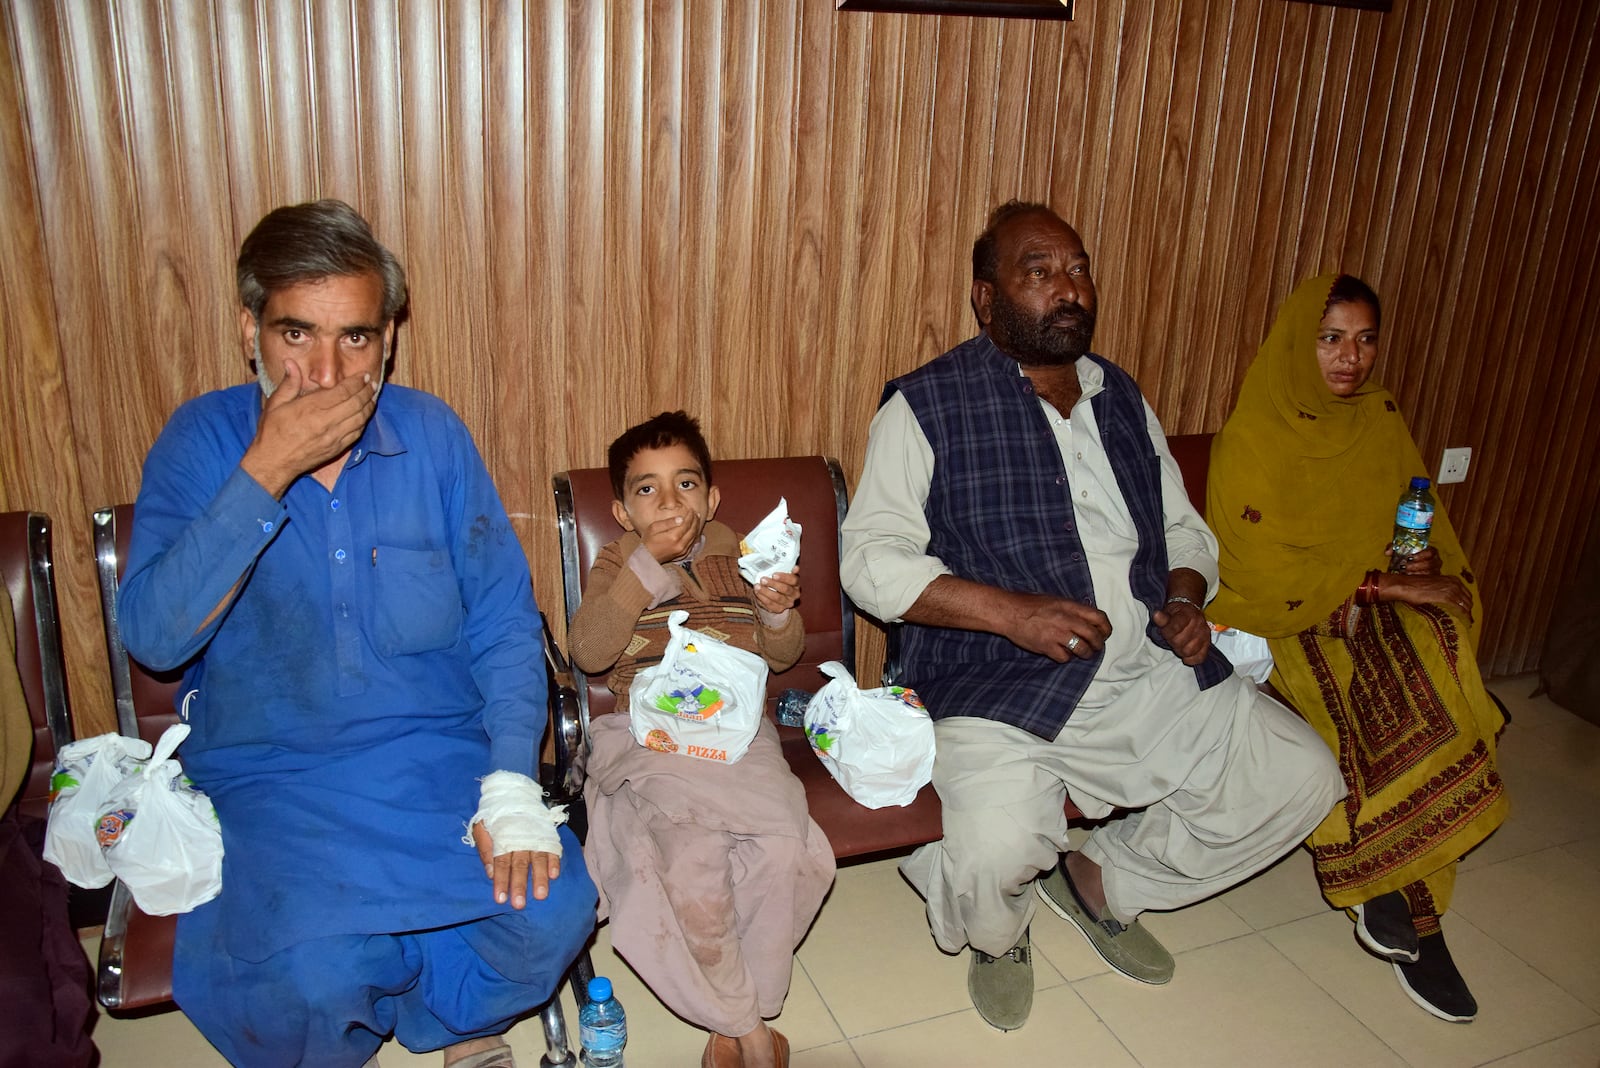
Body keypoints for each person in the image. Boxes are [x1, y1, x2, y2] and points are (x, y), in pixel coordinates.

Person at [840, 200, 1345, 1032]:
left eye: (1076, 268)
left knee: (1302, 779)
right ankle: (999, 934)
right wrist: (1008, 614)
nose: (1067, 288)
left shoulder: (1122, 396)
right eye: (1038, 272)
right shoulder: (925, 405)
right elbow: (870, 562)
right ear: (985, 297)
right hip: (997, 686)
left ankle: (1104, 881)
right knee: (998, 857)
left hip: (1145, 667)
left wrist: (1184, 597)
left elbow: (1184, 528)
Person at [117, 199, 596, 1068]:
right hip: (273, 777)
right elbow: (152, 637)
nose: (328, 373)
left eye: (357, 340)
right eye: (297, 336)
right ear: (248, 332)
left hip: (436, 763)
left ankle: (454, 1021)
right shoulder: (200, 441)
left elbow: (501, 623)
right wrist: (265, 470)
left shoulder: (434, 435)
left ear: (390, 341)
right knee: (309, 974)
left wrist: (510, 783)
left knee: (552, 912)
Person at [1206, 272, 1508, 1023]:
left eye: (1365, 339)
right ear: (1298, 342)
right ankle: (1393, 897)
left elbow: (1415, 523)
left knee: (1436, 652)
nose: (1351, 358)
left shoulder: (1379, 420)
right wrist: (1387, 589)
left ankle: (1408, 890)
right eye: (1331, 337)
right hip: (1279, 617)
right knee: (1347, 697)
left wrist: (1419, 570)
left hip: (1368, 597)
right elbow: (1256, 567)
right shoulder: (1257, 429)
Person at [568, 411, 835, 1068]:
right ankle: (747, 1029)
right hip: (653, 737)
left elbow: (782, 656)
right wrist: (643, 568)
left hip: (739, 734)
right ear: (622, 510)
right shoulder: (615, 562)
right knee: (690, 869)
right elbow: (591, 652)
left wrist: (775, 610)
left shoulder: (742, 552)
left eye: (685, 484)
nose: (669, 502)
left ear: (710, 498)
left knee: (786, 853)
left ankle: (730, 1012)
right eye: (647, 489)